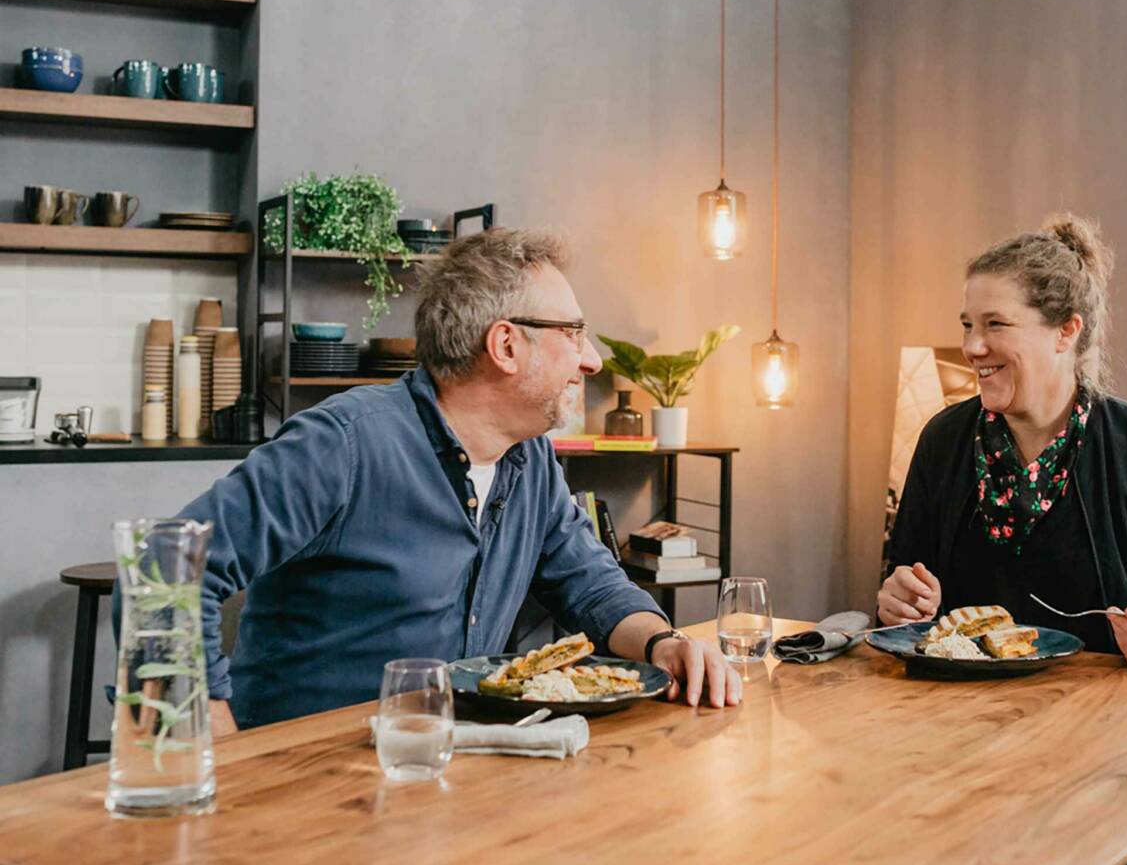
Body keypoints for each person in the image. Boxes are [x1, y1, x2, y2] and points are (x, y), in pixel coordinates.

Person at [176, 227, 741, 734]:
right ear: (505, 346)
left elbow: (590, 583)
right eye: (573, 332)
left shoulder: (532, 462)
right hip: (309, 778)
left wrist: (663, 644)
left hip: (454, 763)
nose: (590, 359)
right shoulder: (344, 444)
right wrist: (215, 743)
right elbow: (167, 570)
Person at [876, 214, 1127, 865]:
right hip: (954, 754)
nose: (972, 345)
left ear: (1066, 330)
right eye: (967, 323)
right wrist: (900, 598)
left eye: (995, 324)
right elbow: (899, 585)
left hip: (1108, 765)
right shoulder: (941, 442)